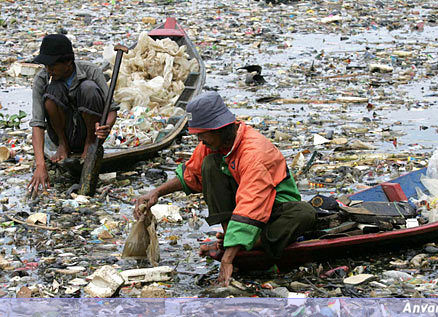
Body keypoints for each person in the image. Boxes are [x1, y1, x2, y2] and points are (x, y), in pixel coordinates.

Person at [134, 91, 316, 286]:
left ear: (218, 129)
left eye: (202, 135)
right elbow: (192, 174)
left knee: (305, 213)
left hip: (275, 210)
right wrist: (156, 192)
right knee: (209, 164)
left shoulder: (253, 153)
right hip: (246, 211)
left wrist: (228, 259)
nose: (200, 141)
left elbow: (251, 205)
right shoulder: (213, 145)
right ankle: (233, 237)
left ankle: (249, 242)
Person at [28, 34, 118, 194]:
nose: (49, 70)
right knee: (52, 91)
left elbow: (111, 110)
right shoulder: (42, 79)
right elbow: (37, 124)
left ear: (68, 62)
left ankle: (88, 144)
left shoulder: (92, 71)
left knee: (88, 88)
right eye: (46, 66)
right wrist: (40, 165)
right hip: (63, 133)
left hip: (90, 133)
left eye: (53, 66)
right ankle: (63, 145)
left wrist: (106, 127)